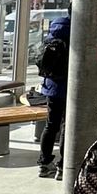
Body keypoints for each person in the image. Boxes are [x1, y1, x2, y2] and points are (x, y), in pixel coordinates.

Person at [36, 13, 70, 179]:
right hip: (69, 86)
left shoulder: (54, 30)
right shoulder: (76, 30)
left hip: (51, 86)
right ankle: (63, 166)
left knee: (50, 125)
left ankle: (44, 163)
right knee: (66, 126)